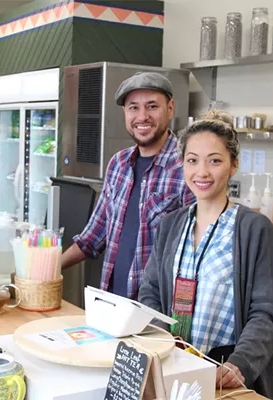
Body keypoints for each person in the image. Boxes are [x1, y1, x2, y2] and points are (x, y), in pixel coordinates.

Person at [138, 110, 273, 398]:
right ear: (183, 164)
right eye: (192, 160)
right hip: (173, 368)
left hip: (223, 375)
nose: (201, 172)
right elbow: (150, 291)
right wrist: (164, 341)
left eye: (214, 161)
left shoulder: (254, 229)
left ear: (233, 165)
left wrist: (239, 365)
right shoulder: (171, 224)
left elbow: (264, 314)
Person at [62, 72, 195, 299]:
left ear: (170, 108)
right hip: (111, 305)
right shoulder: (118, 164)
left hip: (157, 313)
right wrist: (44, 270)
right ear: (125, 112)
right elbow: (92, 238)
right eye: (133, 107)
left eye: (152, 106)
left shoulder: (188, 167)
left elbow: (196, 255)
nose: (142, 116)